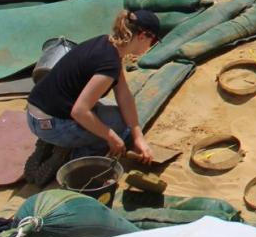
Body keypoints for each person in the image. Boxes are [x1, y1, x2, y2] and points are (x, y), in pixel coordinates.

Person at [24, 10, 162, 184]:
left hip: (37, 112)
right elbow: (80, 111)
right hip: (51, 124)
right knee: (116, 127)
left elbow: (124, 95)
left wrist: (137, 136)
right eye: (153, 41)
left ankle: (58, 142)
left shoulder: (106, 44)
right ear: (142, 36)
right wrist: (111, 137)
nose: (150, 47)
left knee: (117, 115)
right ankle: (78, 162)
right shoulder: (109, 63)